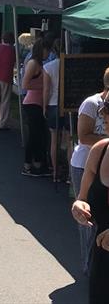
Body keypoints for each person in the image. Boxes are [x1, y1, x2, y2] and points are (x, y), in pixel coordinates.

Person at [70, 68, 109, 275]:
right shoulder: (91, 103)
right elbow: (83, 136)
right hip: (84, 165)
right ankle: (89, 265)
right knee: (90, 222)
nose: (104, 115)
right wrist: (79, 202)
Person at [21, 38, 51, 177]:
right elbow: (25, 85)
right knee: (34, 136)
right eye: (47, 50)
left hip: (37, 103)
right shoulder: (33, 63)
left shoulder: (40, 63)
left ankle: (38, 163)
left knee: (39, 136)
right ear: (42, 49)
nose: (48, 53)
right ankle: (28, 165)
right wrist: (44, 86)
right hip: (32, 103)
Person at [43, 40, 64, 181]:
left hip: (53, 104)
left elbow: (46, 90)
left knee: (54, 139)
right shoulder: (71, 65)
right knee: (68, 139)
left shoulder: (48, 67)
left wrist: (44, 106)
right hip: (69, 103)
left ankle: (55, 171)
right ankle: (69, 174)